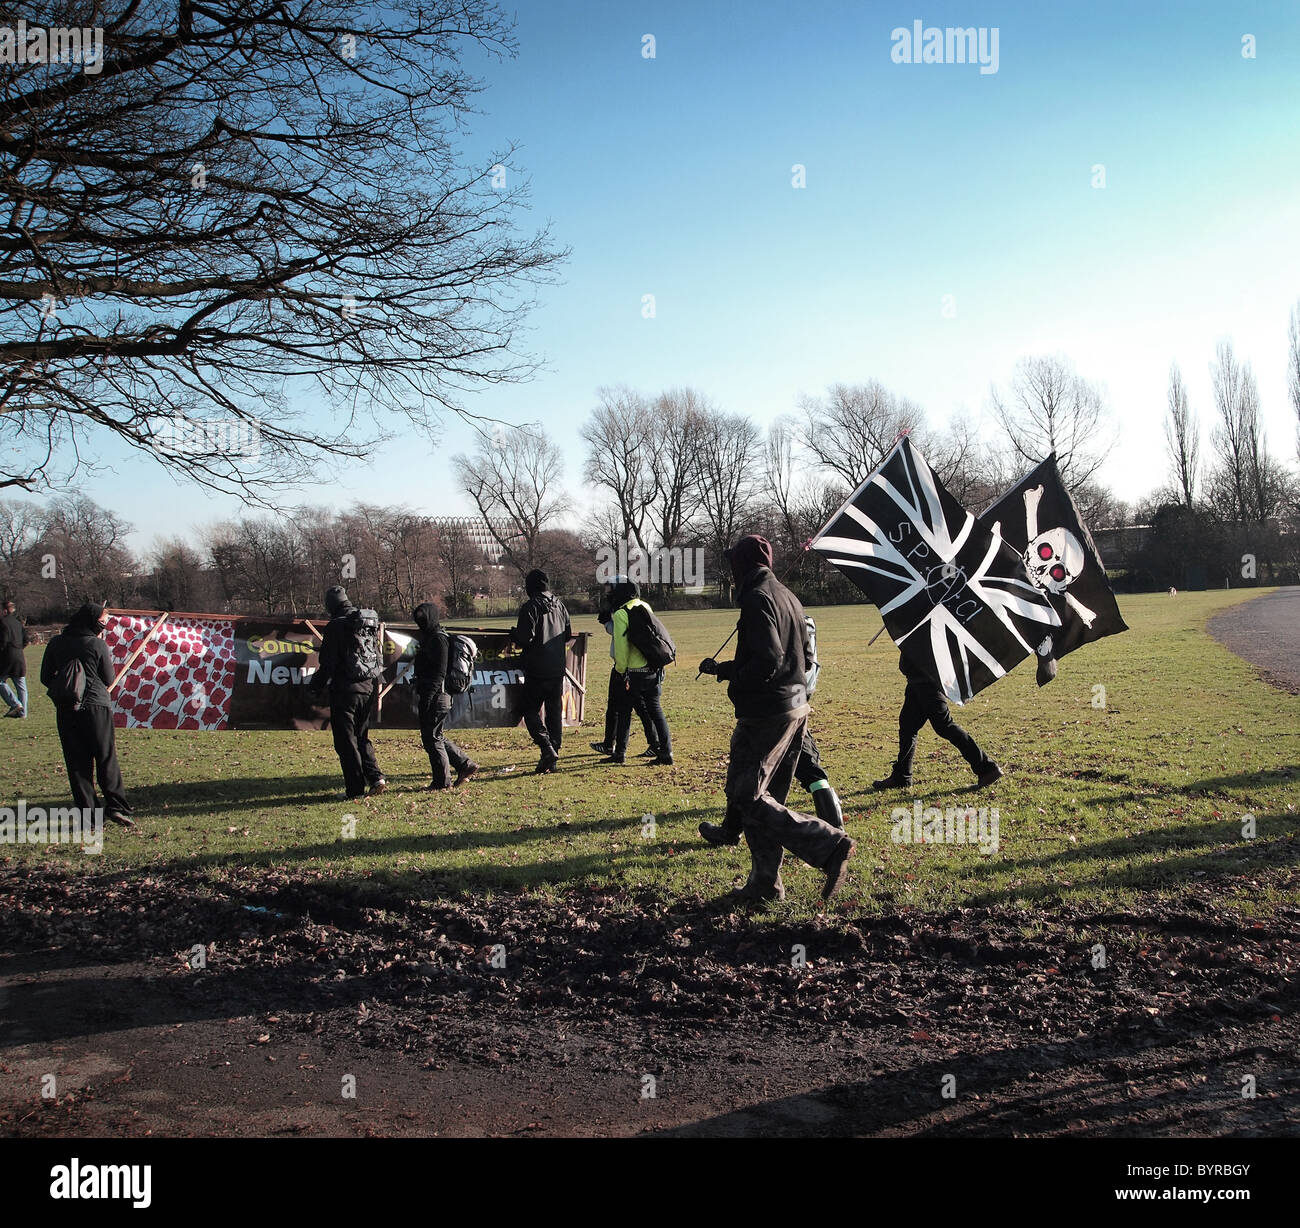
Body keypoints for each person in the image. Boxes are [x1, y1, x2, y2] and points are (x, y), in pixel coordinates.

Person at [698, 535, 855, 903]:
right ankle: (765, 884)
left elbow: (768, 661)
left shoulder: (757, 599)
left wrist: (737, 681)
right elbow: (796, 655)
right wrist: (727, 670)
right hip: (795, 707)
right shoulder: (788, 595)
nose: (730, 570)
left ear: (743, 564)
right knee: (766, 799)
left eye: (733, 563)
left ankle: (828, 844)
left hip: (767, 712)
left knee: (745, 794)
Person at [39, 602, 133, 828]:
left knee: (77, 762)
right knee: (105, 757)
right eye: (103, 620)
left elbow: (45, 677)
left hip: (66, 709)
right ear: (93, 621)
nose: (104, 625)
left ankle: (89, 814)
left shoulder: (56, 643)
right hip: (96, 707)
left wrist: (66, 688)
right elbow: (109, 679)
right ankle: (116, 806)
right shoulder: (96, 644)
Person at [872, 650, 1002, 790]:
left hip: (927, 681)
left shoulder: (926, 628)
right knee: (908, 727)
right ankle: (901, 776)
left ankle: (987, 768)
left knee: (944, 726)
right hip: (917, 680)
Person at [308, 585, 387, 800]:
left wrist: (315, 686)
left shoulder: (336, 626)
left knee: (345, 740)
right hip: (368, 687)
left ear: (331, 605)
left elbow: (328, 664)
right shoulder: (364, 622)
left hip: (345, 690)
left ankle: (354, 789)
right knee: (361, 736)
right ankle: (376, 777)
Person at [602, 579, 673, 766]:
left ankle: (620, 752)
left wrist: (621, 670)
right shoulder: (644, 606)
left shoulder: (620, 614)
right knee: (656, 711)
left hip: (633, 671)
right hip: (653, 668)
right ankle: (666, 752)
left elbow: (621, 648)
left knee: (624, 711)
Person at [508, 568, 572, 774]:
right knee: (554, 714)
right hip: (557, 667)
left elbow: (525, 638)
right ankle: (552, 757)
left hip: (537, 668)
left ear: (530, 586)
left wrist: (514, 634)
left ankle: (546, 748)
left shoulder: (530, 607)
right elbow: (568, 634)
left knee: (529, 710)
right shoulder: (560, 604)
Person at [411, 601, 478, 790]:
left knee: (432, 738)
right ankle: (465, 764)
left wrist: (428, 698)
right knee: (435, 736)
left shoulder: (438, 640)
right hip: (436, 695)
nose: (420, 623)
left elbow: (439, 673)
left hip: (437, 695)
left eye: (422, 619)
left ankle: (442, 781)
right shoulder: (431, 638)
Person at [1, 599, 29, 717]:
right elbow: (26, 640)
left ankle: (15, 704)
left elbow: (3, 641)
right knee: (21, 685)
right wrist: (19, 648)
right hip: (19, 656)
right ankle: (23, 713)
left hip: (7, 657)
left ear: (4, 610)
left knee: (1, 681)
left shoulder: (2, 623)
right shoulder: (18, 623)